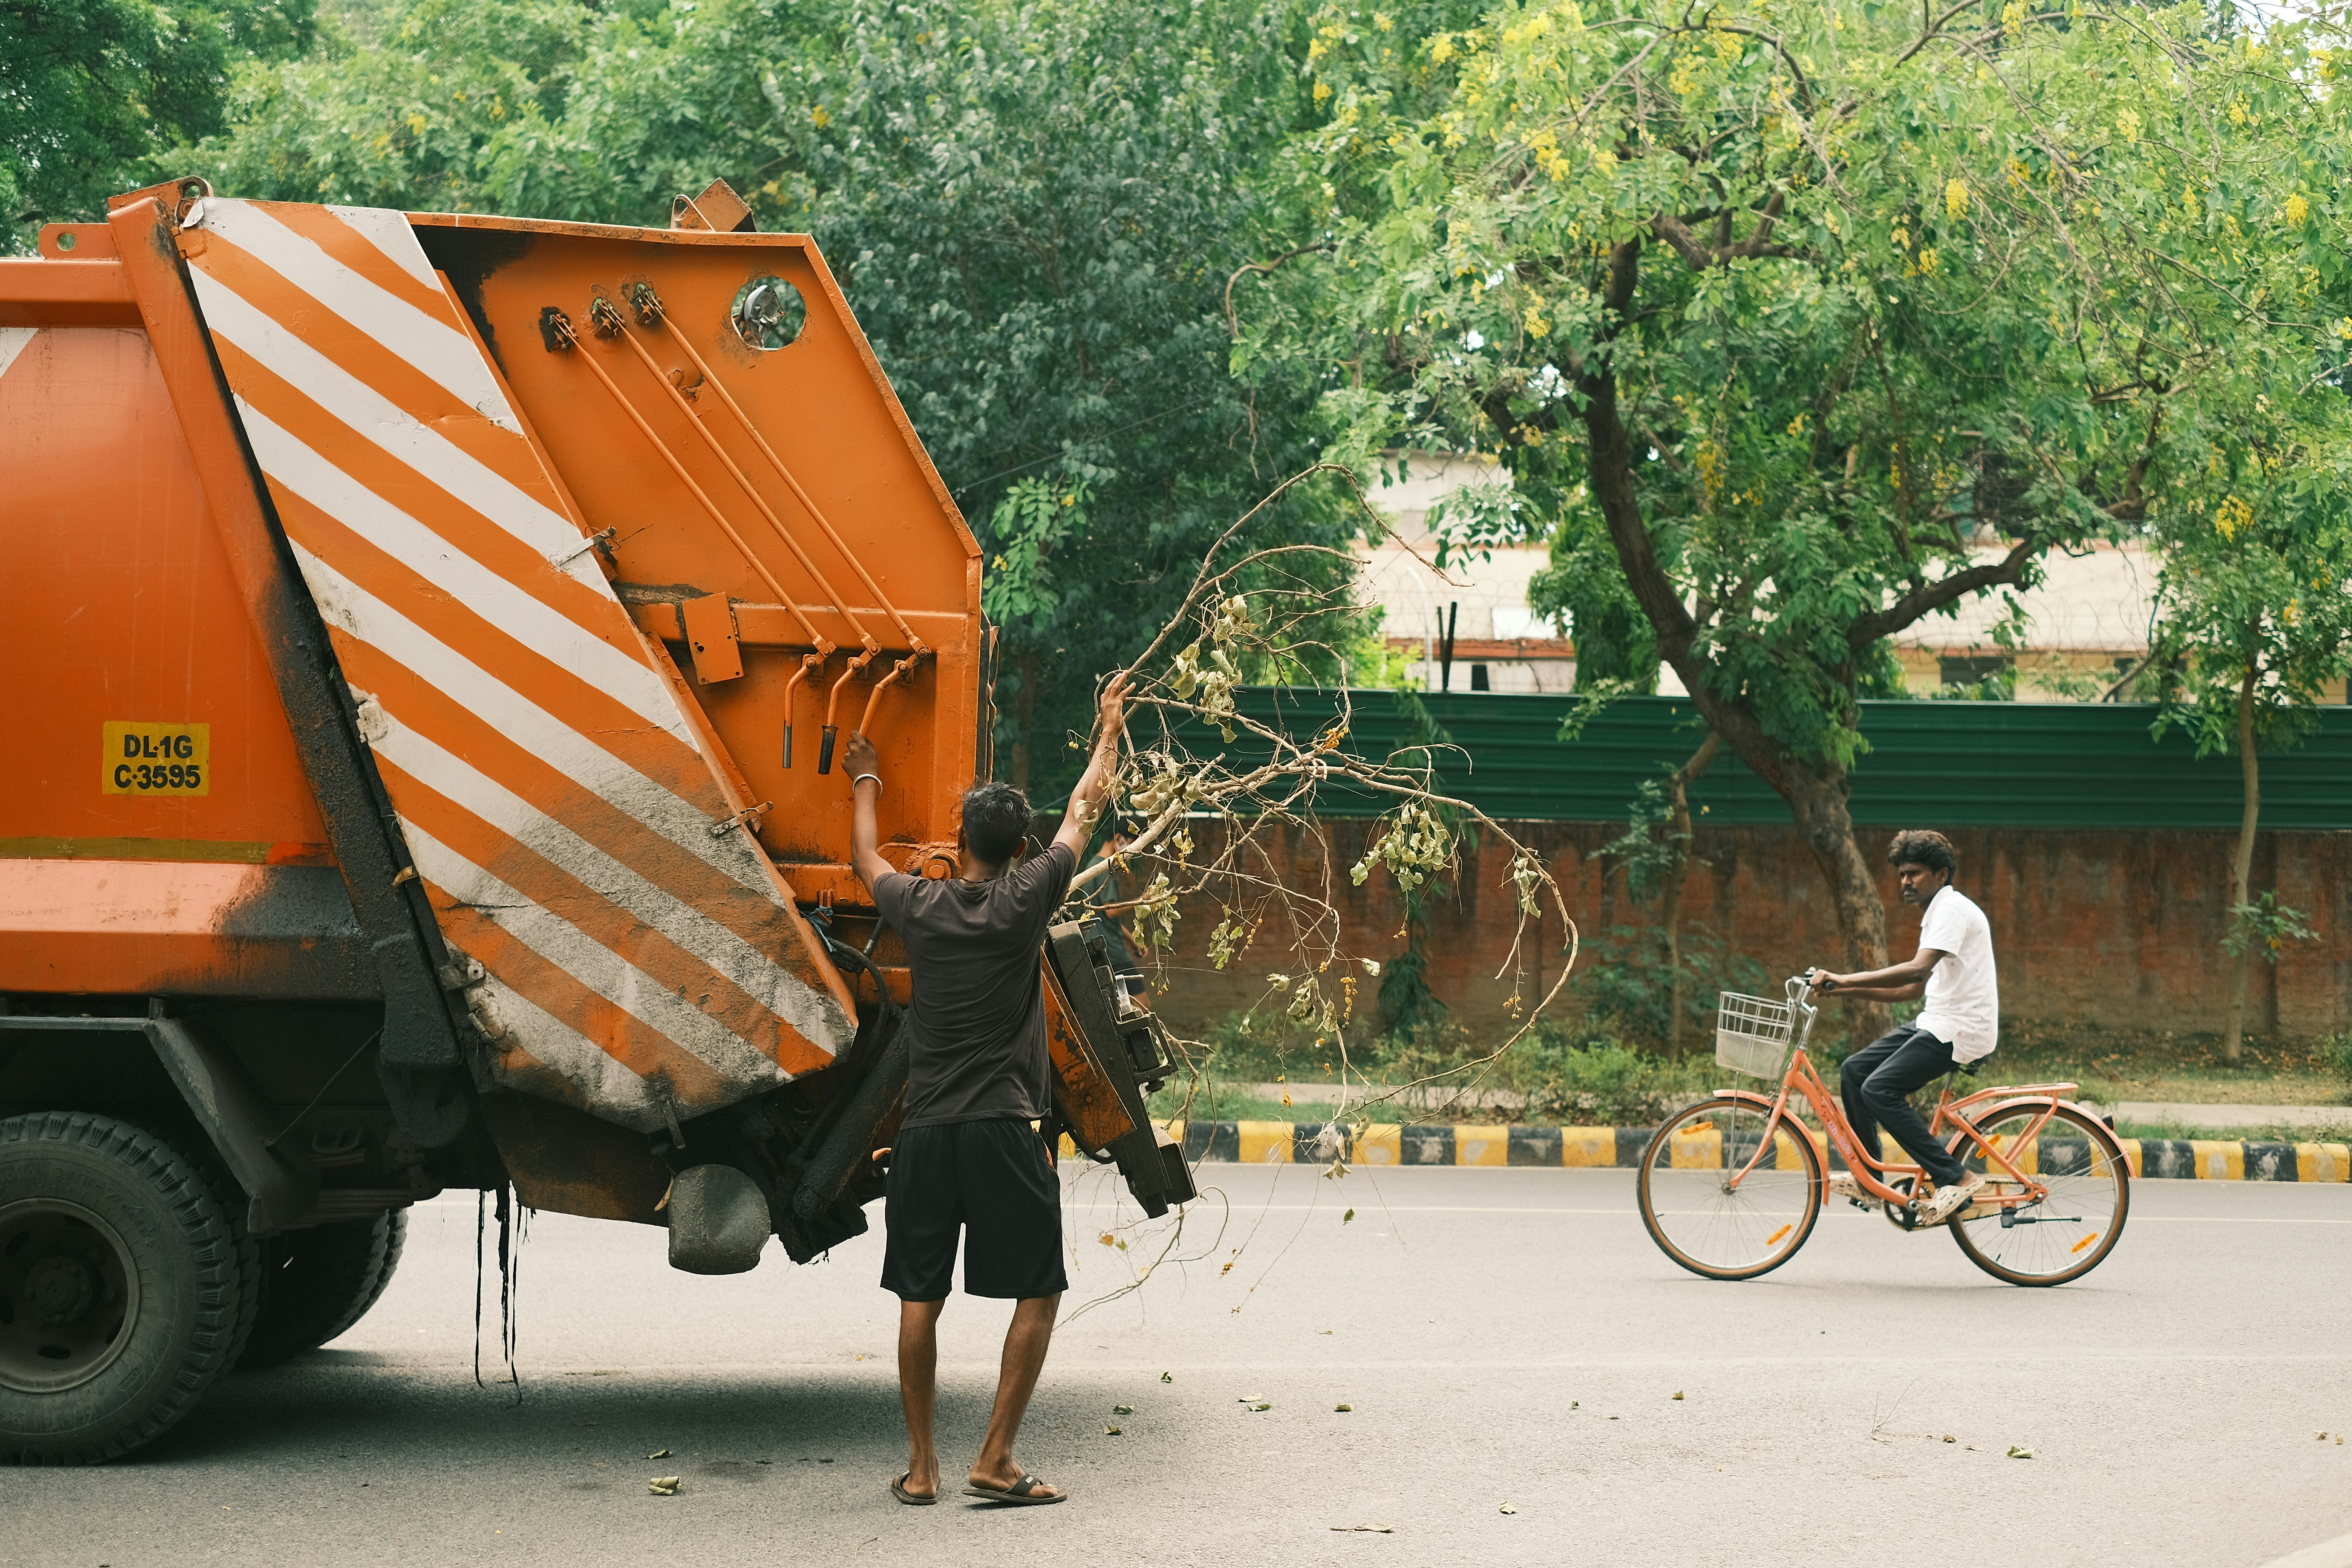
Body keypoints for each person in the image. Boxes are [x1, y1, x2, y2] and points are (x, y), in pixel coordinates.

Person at [841, 674, 1128, 1509]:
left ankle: (923, 1468)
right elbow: (1087, 809)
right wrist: (1107, 725)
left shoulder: (921, 904)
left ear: (959, 839)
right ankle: (995, 1460)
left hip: (928, 1133)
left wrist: (866, 777)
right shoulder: (1027, 898)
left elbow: (865, 858)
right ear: (1020, 846)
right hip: (1005, 1129)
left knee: (919, 1296)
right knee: (1039, 1289)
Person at [1805, 829, 1998, 1228]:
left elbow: (1915, 970)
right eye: (1902, 874)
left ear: (1941, 874)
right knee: (1854, 1072)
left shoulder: (1951, 910)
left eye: (1915, 873)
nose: (1906, 881)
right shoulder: (1939, 912)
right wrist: (1848, 991)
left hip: (1962, 1028)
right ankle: (1871, 1181)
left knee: (1879, 1089)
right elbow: (1914, 988)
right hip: (1939, 1020)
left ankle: (1955, 1175)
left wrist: (1845, 979)